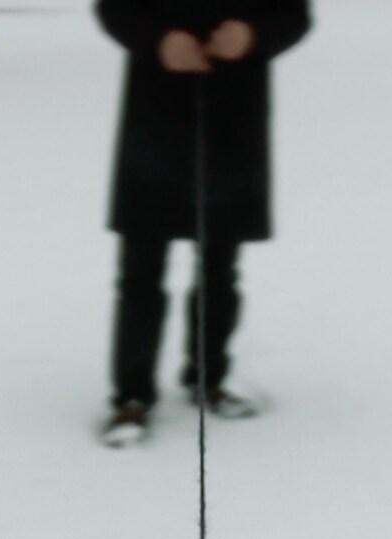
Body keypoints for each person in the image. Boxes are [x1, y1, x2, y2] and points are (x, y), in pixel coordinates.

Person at [95, 0, 311, 446]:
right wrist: (159, 40)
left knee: (219, 268)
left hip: (233, 118)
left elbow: (293, 14)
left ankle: (208, 379)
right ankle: (131, 396)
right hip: (154, 116)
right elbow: (114, 7)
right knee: (140, 269)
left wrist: (252, 35)